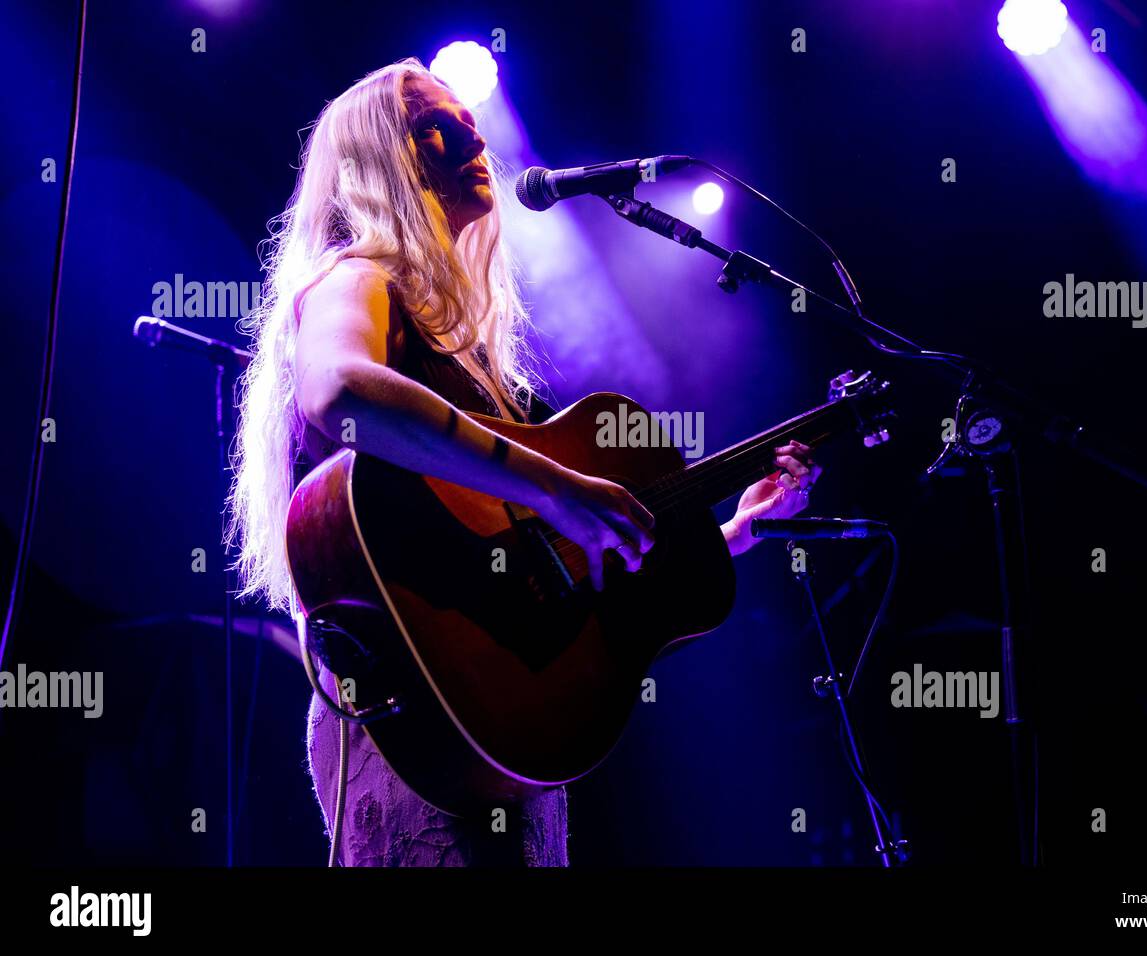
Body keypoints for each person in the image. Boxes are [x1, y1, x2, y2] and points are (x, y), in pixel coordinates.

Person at [225, 57, 821, 866]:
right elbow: (338, 391)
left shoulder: (463, 354)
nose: (475, 137)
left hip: (493, 728)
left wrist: (735, 530)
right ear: (383, 156)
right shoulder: (356, 276)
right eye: (439, 122)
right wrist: (557, 482)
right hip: (420, 718)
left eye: (475, 125)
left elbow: (530, 564)